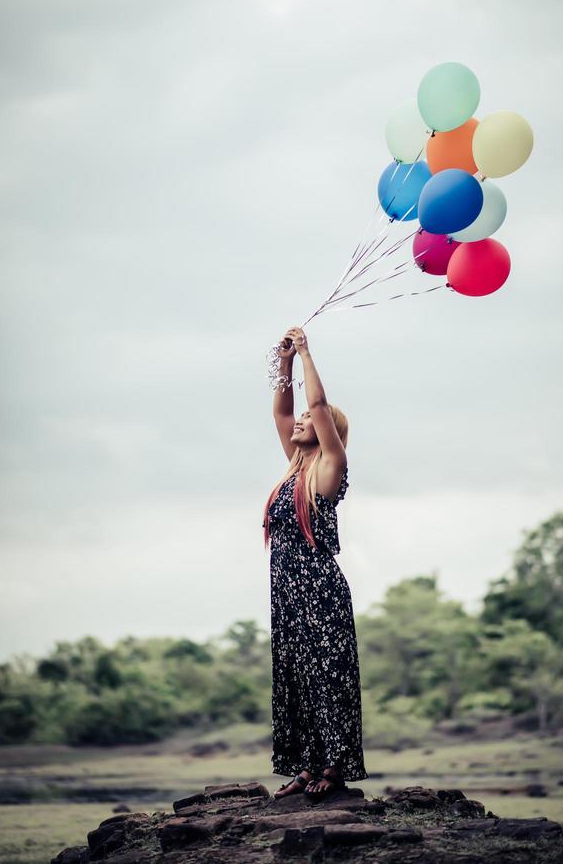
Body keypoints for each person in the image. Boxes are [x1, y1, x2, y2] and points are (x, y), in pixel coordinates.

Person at [262, 325, 369, 799]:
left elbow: (319, 408)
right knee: (298, 676)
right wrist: (283, 363)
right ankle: (308, 765)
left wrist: (307, 354)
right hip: (286, 591)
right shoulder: (294, 468)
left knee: (328, 675)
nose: (301, 420)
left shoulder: (329, 469)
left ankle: (334, 768)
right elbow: (282, 410)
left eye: (311, 419)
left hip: (319, 588)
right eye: (301, 419)